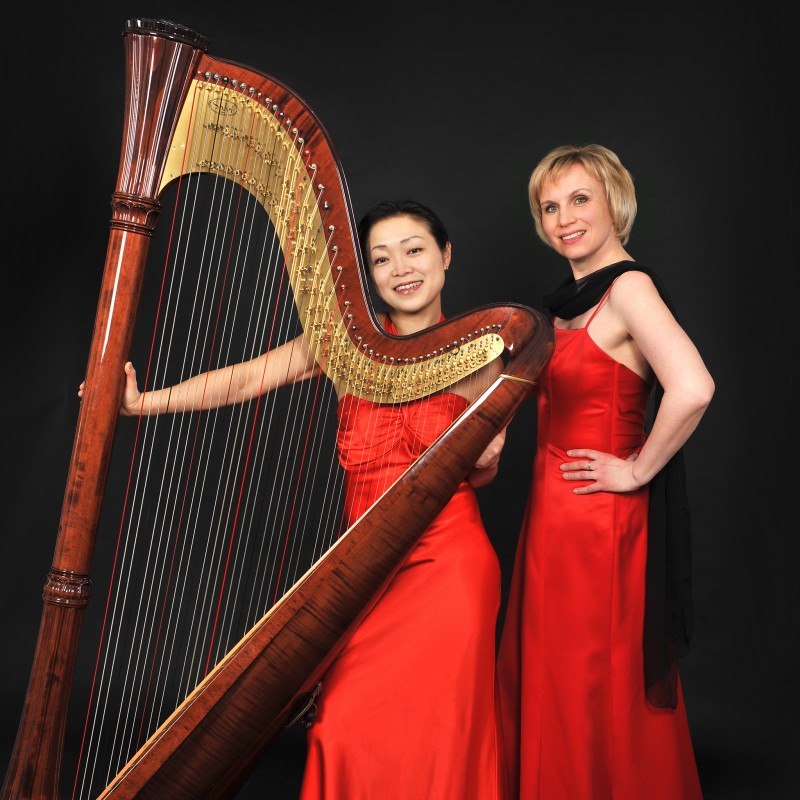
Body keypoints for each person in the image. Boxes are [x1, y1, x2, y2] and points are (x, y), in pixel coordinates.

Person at [81, 199, 506, 799]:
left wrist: (484, 455)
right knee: (344, 726)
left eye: (414, 250)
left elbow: (485, 473)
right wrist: (143, 403)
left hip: (451, 567)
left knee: (443, 730)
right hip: (367, 568)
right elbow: (246, 378)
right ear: (367, 273)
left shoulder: (484, 353)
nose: (401, 269)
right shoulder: (348, 344)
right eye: (381, 259)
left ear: (446, 255)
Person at [496, 144, 714, 799]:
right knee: (555, 673)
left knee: (593, 676)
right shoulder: (565, 305)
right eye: (549, 207)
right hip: (551, 518)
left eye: (579, 199)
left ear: (615, 204)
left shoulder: (628, 288)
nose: (564, 218)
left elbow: (693, 387)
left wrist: (637, 470)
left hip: (599, 522)